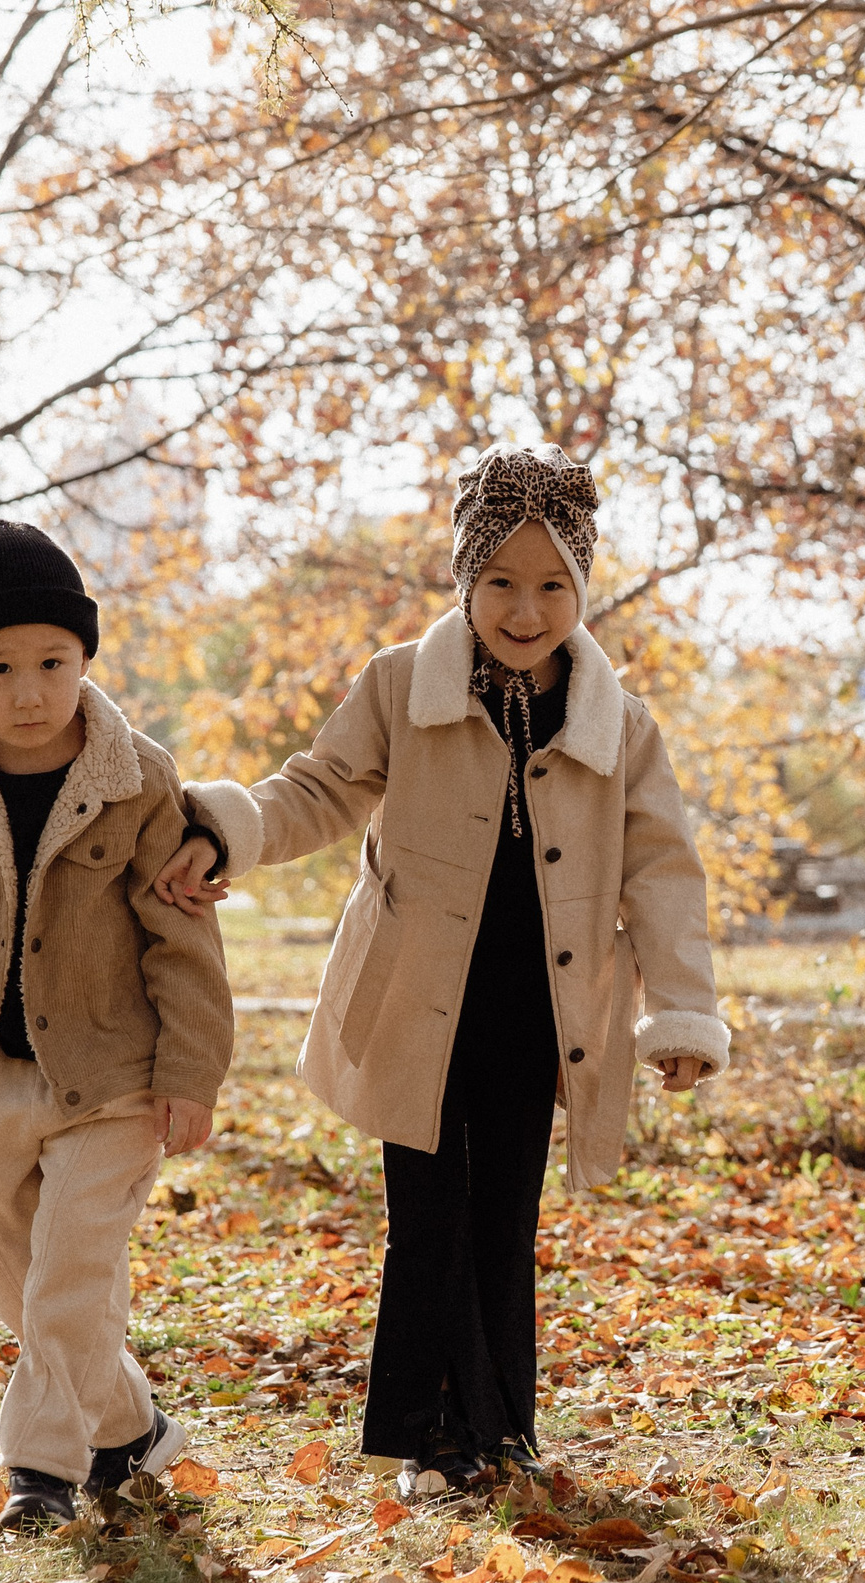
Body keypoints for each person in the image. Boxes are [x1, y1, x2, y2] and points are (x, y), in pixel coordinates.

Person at [150, 445, 729, 1495]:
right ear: (464, 580)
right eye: (500, 581)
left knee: (504, 1213)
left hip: (537, 1003)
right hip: (417, 993)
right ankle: (428, 1438)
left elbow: (663, 872)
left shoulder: (618, 723)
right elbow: (319, 787)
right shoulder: (397, 687)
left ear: (581, 589)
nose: (525, 608)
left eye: (552, 584)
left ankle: (501, 1430)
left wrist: (682, 1012)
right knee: (427, 1214)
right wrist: (224, 831)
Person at [0, 519, 234, 1532]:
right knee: (10, 1272)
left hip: (113, 1077)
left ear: (84, 659)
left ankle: (38, 1473)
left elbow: (183, 938)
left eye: (51, 662)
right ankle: (133, 1431)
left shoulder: (138, 778)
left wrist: (191, 1072)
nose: (27, 690)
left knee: (72, 1270)